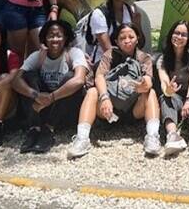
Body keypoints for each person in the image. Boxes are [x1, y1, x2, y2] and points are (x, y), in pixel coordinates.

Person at [68, 23, 161, 159]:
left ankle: (153, 136)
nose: (127, 40)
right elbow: (99, 76)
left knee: (150, 93)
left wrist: (144, 85)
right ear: (116, 41)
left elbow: (148, 80)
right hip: (108, 110)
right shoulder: (109, 55)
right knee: (92, 92)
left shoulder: (144, 57)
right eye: (122, 38)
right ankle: (82, 138)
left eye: (131, 37)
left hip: (133, 110)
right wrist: (105, 98)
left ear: (137, 38)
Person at [12, 19, 87, 153]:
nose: (55, 39)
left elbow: (79, 80)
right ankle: (34, 128)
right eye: (51, 36)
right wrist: (35, 95)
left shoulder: (74, 53)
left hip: (64, 107)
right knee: (29, 76)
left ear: (66, 38)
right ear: (45, 39)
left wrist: (52, 97)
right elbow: (16, 80)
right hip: (40, 106)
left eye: (59, 35)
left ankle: (48, 129)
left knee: (70, 77)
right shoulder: (37, 56)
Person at [155, 20, 189, 157]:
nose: (179, 37)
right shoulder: (162, 59)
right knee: (166, 98)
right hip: (177, 97)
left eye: (184, 35)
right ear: (170, 35)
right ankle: (172, 135)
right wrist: (169, 90)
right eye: (176, 33)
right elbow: (164, 83)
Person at [79, 0, 142, 64]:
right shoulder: (99, 14)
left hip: (129, 61)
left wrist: (137, 25)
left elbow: (140, 43)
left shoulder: (130, 10)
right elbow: (107, 50)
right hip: (104, 63)